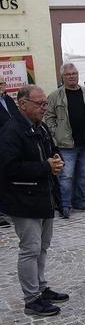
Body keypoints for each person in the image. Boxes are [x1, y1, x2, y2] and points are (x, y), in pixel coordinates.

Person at [0, 85, 68, 316]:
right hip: (23, 199)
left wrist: (57, 163)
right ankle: (32, 300)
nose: (43, 107)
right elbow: (8, 168)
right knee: (30, 249)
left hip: (42, 195)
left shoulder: (40, 126)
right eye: (39, 104)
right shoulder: (11, 131)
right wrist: (45, 166)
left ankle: (41, 288)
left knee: (42, 247)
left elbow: (52, 151)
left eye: (45, 103)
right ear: (23, 104)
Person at [44, 63, 85, 219]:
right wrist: (56, 133)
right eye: (68, 74)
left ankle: (80, 201)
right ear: (63, 76)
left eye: (74, 73)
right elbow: (49, 117)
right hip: (66, 143)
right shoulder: (55, 96)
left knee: (83, 175)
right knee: (66, 176)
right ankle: (65, 205)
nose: (72, 76)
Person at [0, 75, 19, 228]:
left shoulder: (8, 100)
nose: (2, 86)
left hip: (9, 145)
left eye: (3, 83)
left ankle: (8, 209)